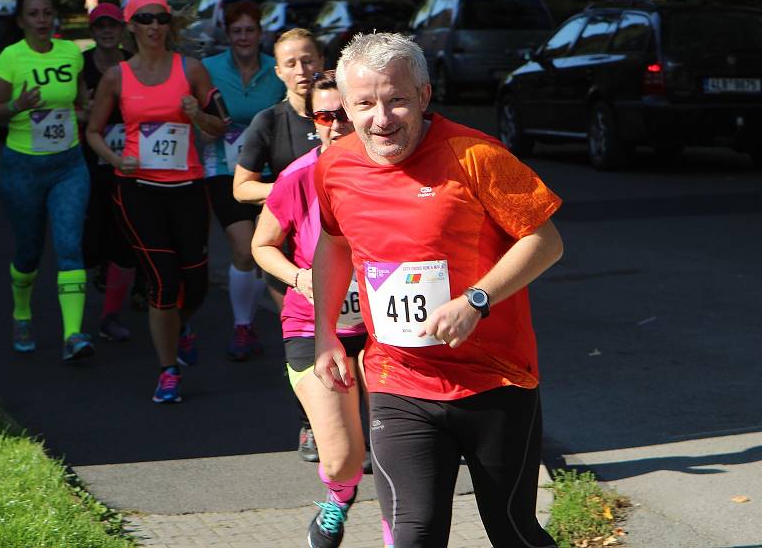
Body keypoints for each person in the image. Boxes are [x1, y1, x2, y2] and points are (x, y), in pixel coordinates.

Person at [312, 32, 564, 548]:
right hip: (397, 378)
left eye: (396, 99)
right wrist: (325, 334)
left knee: (513, 532)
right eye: (364, 104)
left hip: (494, 379)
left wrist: (477, 300)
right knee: (414, 534)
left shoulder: (474, 154)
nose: (381, 118)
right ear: (346, 106)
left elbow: (545, 241)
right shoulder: (334, 166)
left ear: (424, 96)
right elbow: (334, 246)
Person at [86, 0, 227, 403]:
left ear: (169, 25)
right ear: (131, 25)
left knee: (195, 283)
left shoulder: (192, 70)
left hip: (186, 189)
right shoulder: (118, 76)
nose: (153, 27)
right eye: (144, 19)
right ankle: (168, 371)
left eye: (160, 19)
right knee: (163, 283)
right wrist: (116, 159)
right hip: (138, 190)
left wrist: (196, 114)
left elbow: (220, 126)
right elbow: (93, 131)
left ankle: (179, 327)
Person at [251, 71, 366, 548]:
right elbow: (262, 245)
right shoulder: (297, 178)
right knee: (342, 459)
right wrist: (301, 279)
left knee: (402, 453)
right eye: (325, 115)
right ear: (311, 120)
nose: (336, 124)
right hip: (312, 326)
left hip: (384, 329)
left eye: (345, 113)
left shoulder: (390, 174)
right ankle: (337, 498)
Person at [0, 0, 95, 361]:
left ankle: (73, 335)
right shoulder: (10, 58)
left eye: (47, 12)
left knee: (69, 246)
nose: (42, 20)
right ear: (21, 21)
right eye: (34, 14)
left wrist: (85, 111)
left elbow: (80, 102)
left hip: (68, 165)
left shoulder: (70, 54)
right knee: (29, 251)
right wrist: (18, 104)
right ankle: (21, 311)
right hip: (23, 168)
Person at [232, 27, 325, 458]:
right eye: (291, 63)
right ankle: (309, 423)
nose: (302, 70)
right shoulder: (269, 121)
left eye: (308, 60)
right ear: (278, 72)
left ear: (321, 61)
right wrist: (291, 188)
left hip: (345, 244)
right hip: (287, 251)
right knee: (305, 335)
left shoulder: (343, 114)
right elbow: (241, 189)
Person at [201, 0, 285, 362]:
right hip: (225, 170)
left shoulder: (276, 69)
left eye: (250, 30)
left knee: (270, 249)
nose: (244, 37)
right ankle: (242, 326)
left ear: (260, 32)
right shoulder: (209, 69)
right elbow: (199, 120)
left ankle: (290, 324)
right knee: (243, 248)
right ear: (227, 34)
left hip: (271, 173)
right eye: (236, 31)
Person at [80, 2, 136, 342]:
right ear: (92, 30)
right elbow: (67, 106)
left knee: (126, 235)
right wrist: (80, 110)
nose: (106, 31)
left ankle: (110, 314)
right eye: (100, 25)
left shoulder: (132, 63)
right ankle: (100, 269)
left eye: (112, 25)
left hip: (128, 160)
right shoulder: (79, 65)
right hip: (88, 159)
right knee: (92, 234)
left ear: (122, 29)